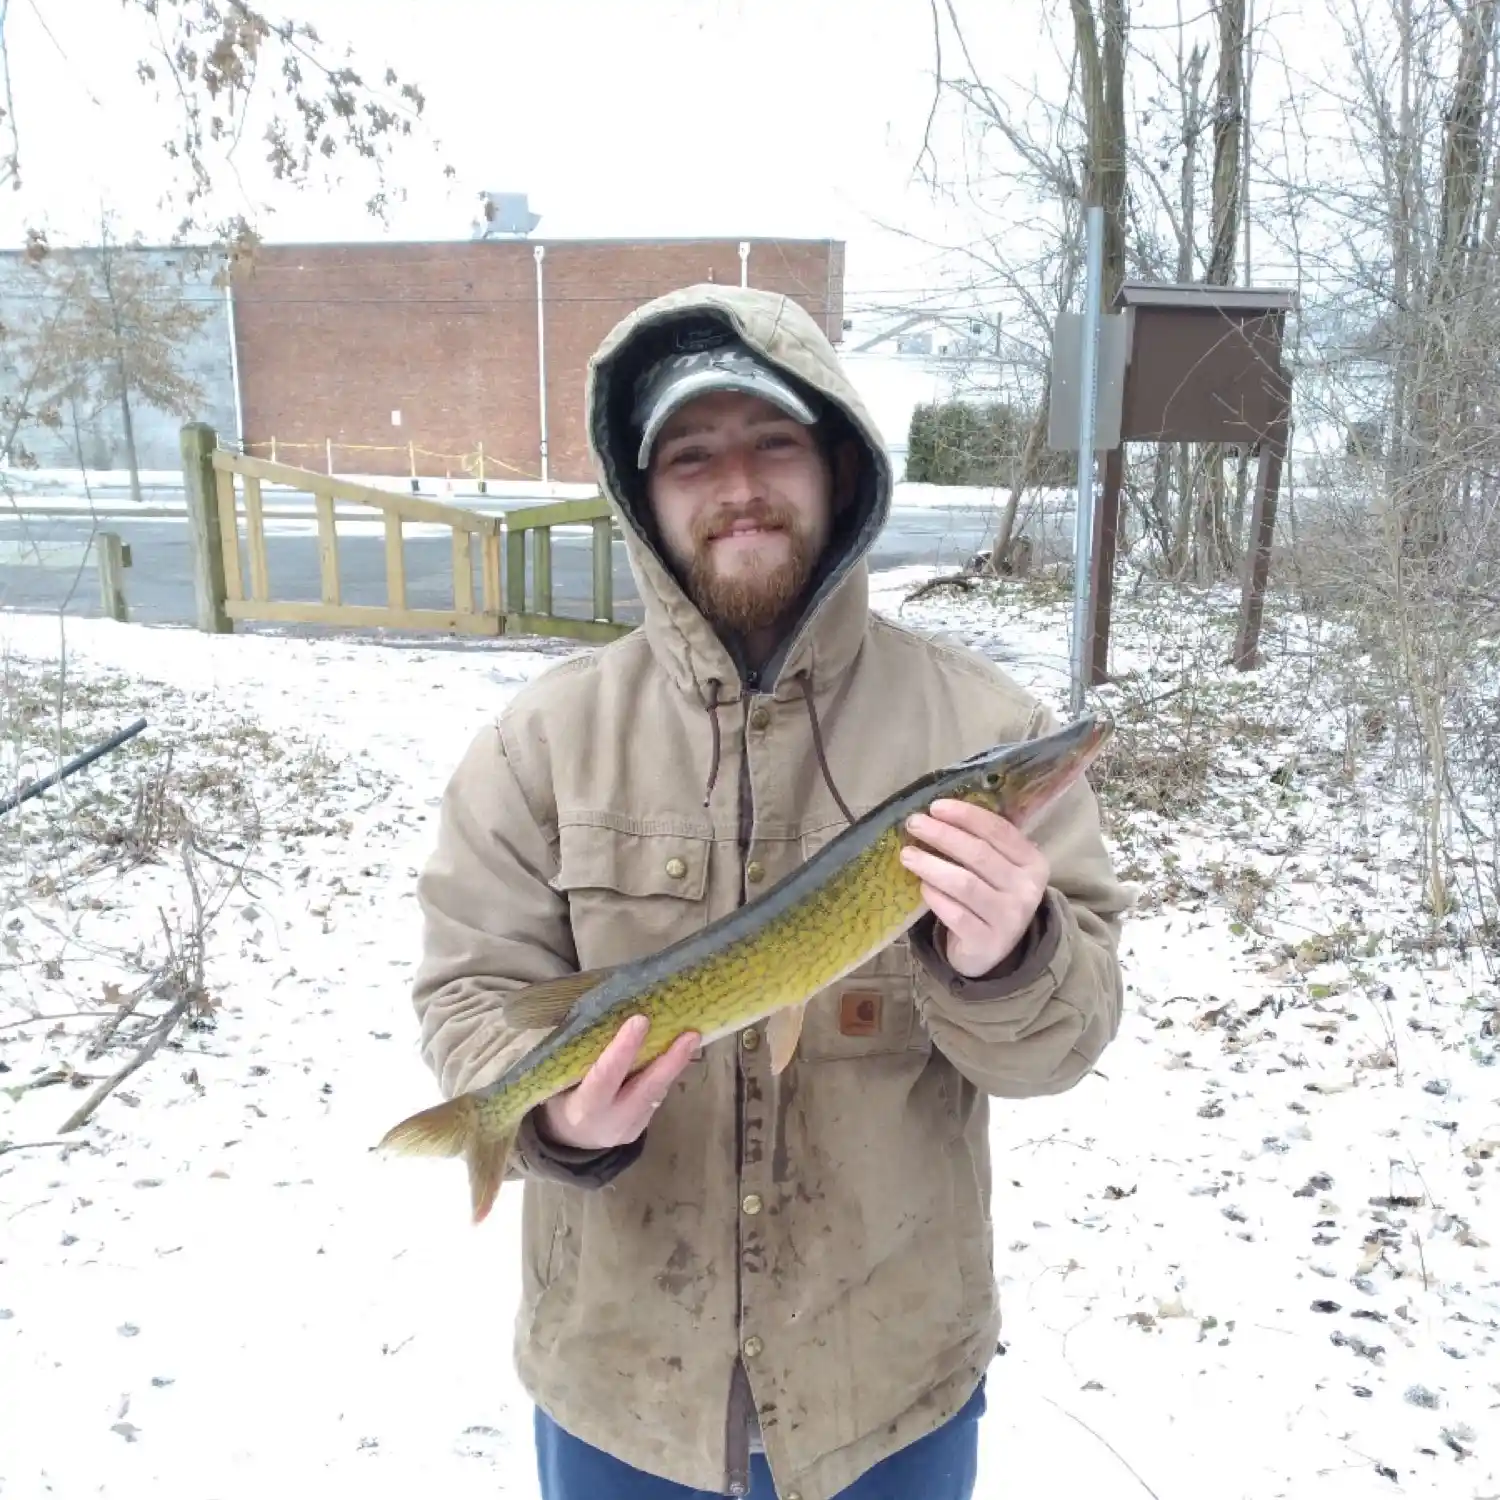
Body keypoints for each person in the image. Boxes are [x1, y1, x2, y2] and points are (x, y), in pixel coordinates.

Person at [408, 284, 1132, 1500]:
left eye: (773, 444)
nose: (736, 483)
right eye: (692, 456)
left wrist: (1012, 958)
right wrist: (543, 1120)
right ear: (648, 497)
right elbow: (474, 991)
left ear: (838, 468)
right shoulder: (542, 741)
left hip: (889, 1397)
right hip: (621, 1391)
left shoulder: (980, 724)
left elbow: (1064, 1044)